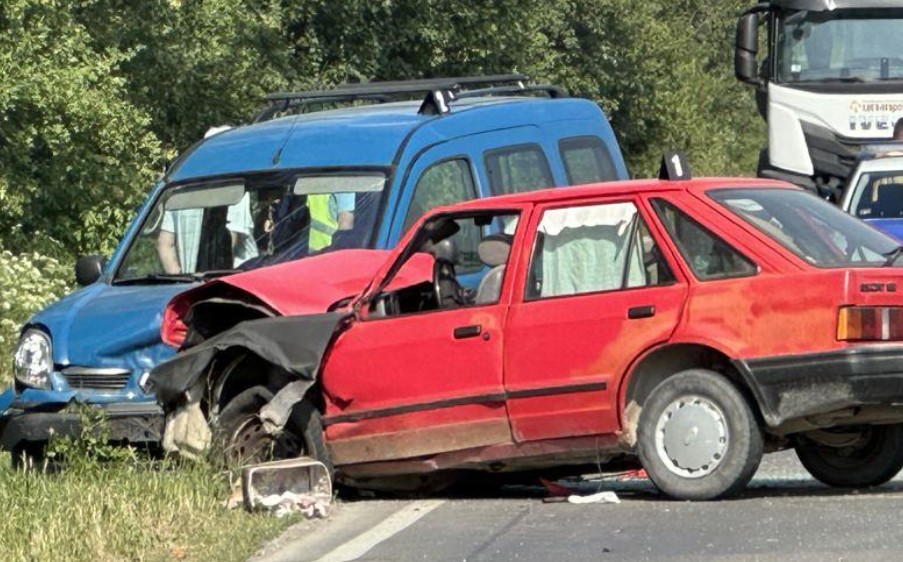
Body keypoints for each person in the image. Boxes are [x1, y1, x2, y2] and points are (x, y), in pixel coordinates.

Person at [157, 192, 257, 274]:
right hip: (235, 283)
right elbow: (230, 241)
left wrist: (180, 280)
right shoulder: (237, 192)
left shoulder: (178, 194)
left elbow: (165, 243)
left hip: (191, 286)